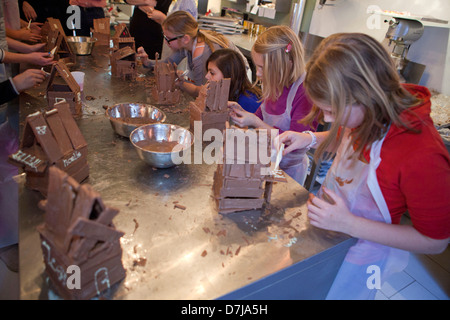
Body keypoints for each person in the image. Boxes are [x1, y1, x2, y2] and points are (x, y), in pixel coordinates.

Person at [278, 33, 450, 300]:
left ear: (365, 95)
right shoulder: (369, 112)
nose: (326, 118)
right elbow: (349, 141)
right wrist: (309, 138)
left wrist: (349, 224)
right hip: (327, 234)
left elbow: (435, 241)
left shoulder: (422, 155)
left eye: (332, 112)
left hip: (360, 256)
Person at [228, 25, 317, 185]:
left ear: (284, 65)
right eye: (257, 67)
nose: (258, 74)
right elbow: (261, 116)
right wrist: (244, 114)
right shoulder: (276, 82)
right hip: (267, 161)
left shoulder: (305, 93)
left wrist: (256, 123)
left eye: (263, 68)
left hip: (288, 172)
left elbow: (293, 142)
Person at [137, 11, 248, 98]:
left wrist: (183, 83)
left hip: (235, 80)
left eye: (169, 39)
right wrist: (148, 62)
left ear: (185, 38)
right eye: (164, 37)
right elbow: (167, 64)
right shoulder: (186, 43)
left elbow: (203, 91)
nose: (166, 42)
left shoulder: (203, 54)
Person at [206, 48, 261, 113]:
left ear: (229, 76)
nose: (206, 76)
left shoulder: (248, 102)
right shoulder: (221, 93)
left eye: (212, 73)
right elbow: (200, 120)